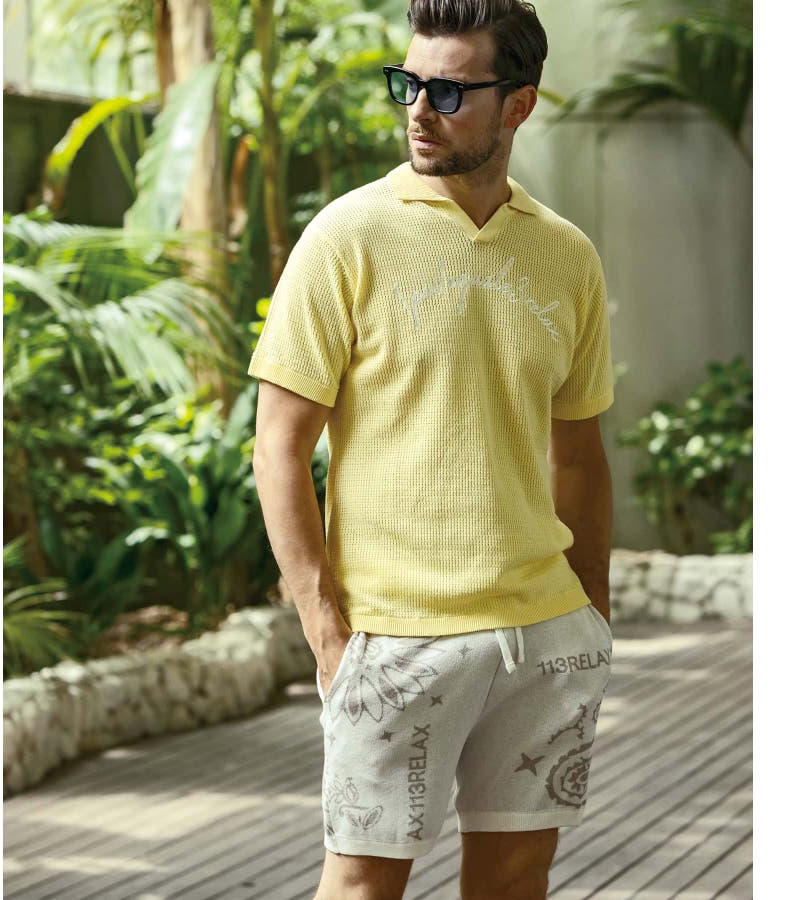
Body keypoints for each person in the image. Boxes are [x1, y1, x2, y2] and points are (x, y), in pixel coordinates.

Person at [247, 2, 615, 897]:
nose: (419, 108)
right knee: (363, 884)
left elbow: (578, 452)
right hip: (395, 635)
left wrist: (591, 614)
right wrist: (326, 632)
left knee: (515, 881)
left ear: (517, 105)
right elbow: (279, 446)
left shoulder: (566, 255)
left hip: (544, 637)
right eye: (408, 84)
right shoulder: (348, 237)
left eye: (448, 91)